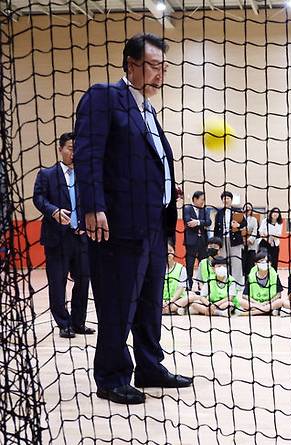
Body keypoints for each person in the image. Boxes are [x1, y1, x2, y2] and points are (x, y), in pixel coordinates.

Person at [75, 33, 192, 404]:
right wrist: (92, 206)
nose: (160, 74)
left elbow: (145, 162)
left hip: (154, 225)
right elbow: (88, 154)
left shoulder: (148, 111)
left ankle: (149, 366)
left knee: (148, 301)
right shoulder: (105, 97)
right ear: (131, 64)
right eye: (153, 66)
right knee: (117, 302)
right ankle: (111, 376)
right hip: (119, 226)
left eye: (163, 67)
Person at [33, 132, 94, 339]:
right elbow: (38, 198)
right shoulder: (46, 174)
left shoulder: (87, 175)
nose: (73, 152)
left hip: (82, 237)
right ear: (60, 149)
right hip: (57, 238)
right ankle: (63, 323)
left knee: (84, 280)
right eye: (70, 147)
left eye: (77, 148)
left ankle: (78, 322)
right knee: (58, 282)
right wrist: (53, 211)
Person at [213, 191, 247, 285]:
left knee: (236, 261)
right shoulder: (219, 213)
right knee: (223, 261)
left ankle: (237, 283)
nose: (226, 200)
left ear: (231, 200)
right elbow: (216, 229)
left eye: (228, 198)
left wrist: (238, 225)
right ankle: (223, 281)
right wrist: (216, 243)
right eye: (224, 198)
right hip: (222, 240)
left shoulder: (237, 211)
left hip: (235, 240)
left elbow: (245, 224)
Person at [183, 191, 212, 289]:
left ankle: (202, 285)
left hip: (203, 241)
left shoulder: (205, 210)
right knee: (190, 264)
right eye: (201, 199)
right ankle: (189, 284)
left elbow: (208, 222)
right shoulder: (187, 208)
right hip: (191, 241)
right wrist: (200, 223)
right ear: (195, 199)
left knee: (203, 264)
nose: (203, 201)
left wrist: (198, 222)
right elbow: (188, 221)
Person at [162, 242, 198, 315]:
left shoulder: (181, 269)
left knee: (192, 296)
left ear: (174, 252)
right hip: (160, 300)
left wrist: (171, 301)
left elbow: (181, 289)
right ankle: (176, 309)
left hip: (176, 299)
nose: (168, 254)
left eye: (170, 251)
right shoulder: (157, 268)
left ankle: (170, 309)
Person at [242, 202, 259, 282]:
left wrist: (250, 240)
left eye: (249, 208)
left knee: (250, 263)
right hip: (241, 244)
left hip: (251, 245)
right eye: (246, 208)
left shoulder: (254, 219)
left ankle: (250, 281)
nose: (247, 209)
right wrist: (243, 240)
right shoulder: (239, 218)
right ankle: (243, 281)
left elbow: (255, 231)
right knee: (243, 263)